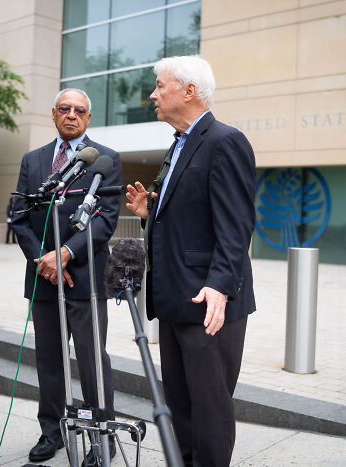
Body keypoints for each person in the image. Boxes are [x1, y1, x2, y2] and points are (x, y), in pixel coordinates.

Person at [125, 56, 256, 467]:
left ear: (189, 91)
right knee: (181, 408)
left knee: (209, 410)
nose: (152, 95)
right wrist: (152, 213)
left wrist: (218, 286)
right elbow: (192, 216)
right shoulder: (180, 143)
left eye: (160, 86)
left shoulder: (225, 141)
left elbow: (236, 227)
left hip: (208, 303)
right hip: (175, 302)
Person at [11, 88, 122, 465]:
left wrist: (66, 253)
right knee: (49, 360)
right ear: (54, 114)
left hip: (86, 277)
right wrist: (44, 260)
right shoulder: (33, 160)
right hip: (44, 277)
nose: (72, 115)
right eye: (65, 109)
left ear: (88, 118)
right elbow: (19, 217)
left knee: (92, 359)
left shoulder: (106, 160)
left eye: (79, 110)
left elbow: (105, 218)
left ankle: (101, 438)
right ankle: (51, 432)